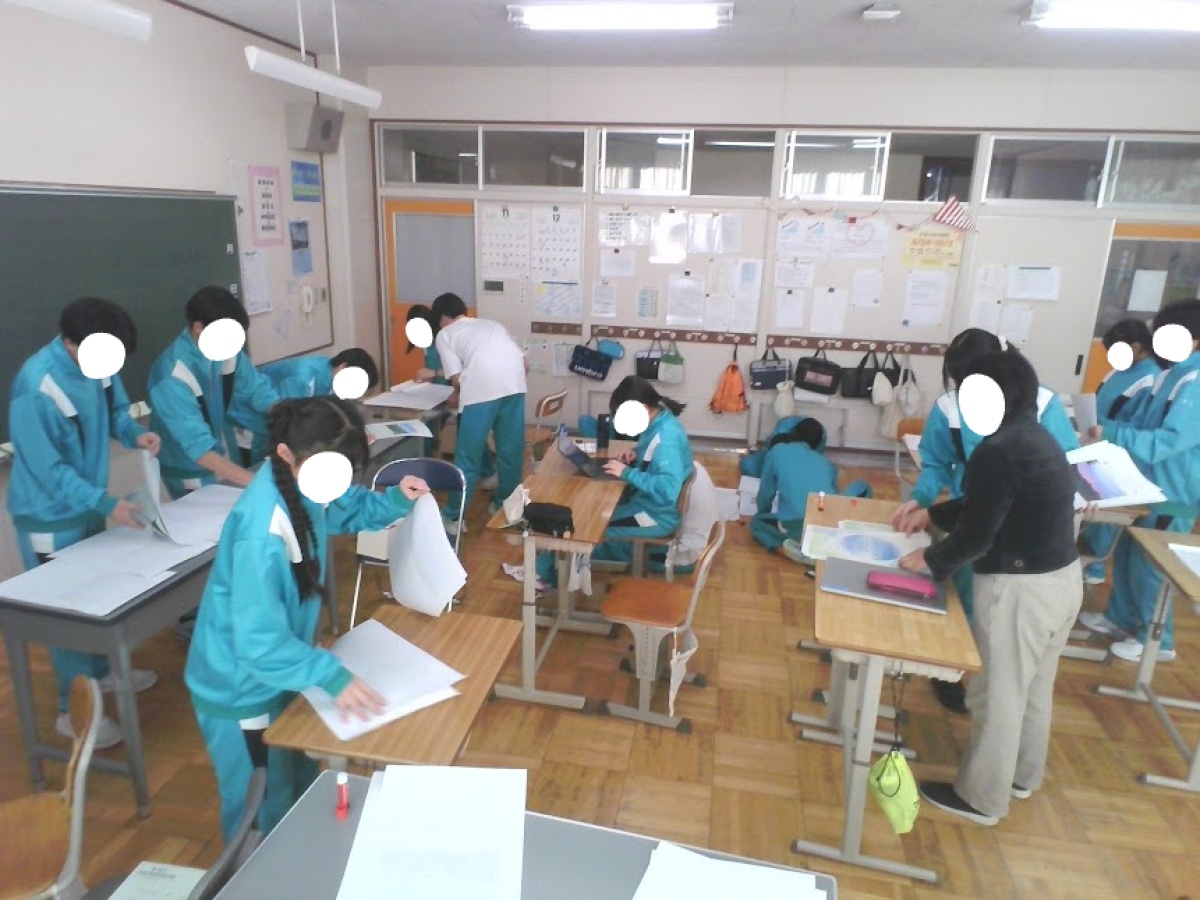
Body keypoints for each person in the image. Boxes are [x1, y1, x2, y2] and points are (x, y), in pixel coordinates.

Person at [185, 396, 431, 842]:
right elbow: (258, 643)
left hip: (282, 672)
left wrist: (396, 500)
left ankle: (294, 859)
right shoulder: (262, 533)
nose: (338, 485)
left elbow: (347, 506)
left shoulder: (307, 483)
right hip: (241, 687)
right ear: (285, 454)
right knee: (261, 808)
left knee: (298, 785)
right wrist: (330, 675)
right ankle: (253, 873)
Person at [897, 350, 1081, 827]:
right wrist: (933, 514)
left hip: (1020, 591)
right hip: (1062, 581)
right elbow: (988, 503)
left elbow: (979, 533)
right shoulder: (1036, 437)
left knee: (996, 695)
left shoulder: (996, 451)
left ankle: (982, 799)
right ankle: (1021, 777)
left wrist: (930, 559)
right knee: (1033, 689)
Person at [7, 298, 162, 749]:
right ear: (71, 343)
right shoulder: (36, 387)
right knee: (68, 613)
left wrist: (136, 433)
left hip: (88, 505)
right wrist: (107, 503)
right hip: (49, 517)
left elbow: (116, 411)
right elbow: (48, 470)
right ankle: (71, 713)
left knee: (96, 599)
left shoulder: (99, 362)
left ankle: (102, 675)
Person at [1078, 299, 1200, 663]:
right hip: (1143, 482)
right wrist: (1106, 430)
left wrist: (1115, 433)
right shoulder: (1170, 374)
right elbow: (1141, 425)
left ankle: (1157, 641)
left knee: (1152, 567)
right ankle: (1121, 619)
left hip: (1174, 489)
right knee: (1128, 553)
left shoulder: (1195, 381)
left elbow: (1167, 442)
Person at [530, 377, 693, 589]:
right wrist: (634, 454)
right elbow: (653, 455)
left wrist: (627, 473)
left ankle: (545, 578)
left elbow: (668, 490)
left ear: (643, 408)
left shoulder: (666, 438)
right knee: (587, 510)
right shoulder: (660, 420)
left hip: (654, 516)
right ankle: (549, 569)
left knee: (584, 524)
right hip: (646, 503)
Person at [147, 286, 280, 499]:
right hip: (184, 464)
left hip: (212, 448)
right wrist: (257, 483)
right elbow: (197, 448)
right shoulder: (171, 376)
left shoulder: (225, 349)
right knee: (204, 515)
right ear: (199, 328)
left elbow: (257, 390)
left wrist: (291, 417)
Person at [431, 292, 525, 534]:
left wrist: (460, 399)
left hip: (482, 390)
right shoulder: (491, 325)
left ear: (442, 318)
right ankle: (506, 507)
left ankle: (453, 517)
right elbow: (524, 363)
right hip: (515, 383)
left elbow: (456, 380)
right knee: (510, 451)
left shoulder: (445, 334)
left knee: (467, 458)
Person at [1078, 319, 1159, 584]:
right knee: (1090, 507)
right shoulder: (1119, 370)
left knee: (1107, 514)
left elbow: (1141, 426)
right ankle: (1084, 555)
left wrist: (1106, 429)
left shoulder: (1150, 377)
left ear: (1136, 347)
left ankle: (1096, 568)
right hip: (1096, 443)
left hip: (1119, 452)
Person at [225, 348, 380, 464]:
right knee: (254, 474)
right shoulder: (303, 379)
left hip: (270, 431)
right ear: (342, 368)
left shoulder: (328, 375)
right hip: (250, 426)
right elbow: (290, 423)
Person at [748, 418, 872, 559]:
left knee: (757, 523)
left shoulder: (777, 451)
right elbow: (834, 498)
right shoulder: (826, 463)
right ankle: (844, 536)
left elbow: (766, 493)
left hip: (794, 527)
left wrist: (762, 512)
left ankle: (783, 548)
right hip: (829, 525)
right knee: (863, 487)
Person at [410, 303, 494, 477]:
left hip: (458, 393)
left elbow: (459, 370)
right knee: (427, 428)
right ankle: (423, 468)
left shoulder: (443, 340)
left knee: (468, 434)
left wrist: (434, 373)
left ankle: (487, 471)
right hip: (440, 394)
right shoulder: (426, 345)